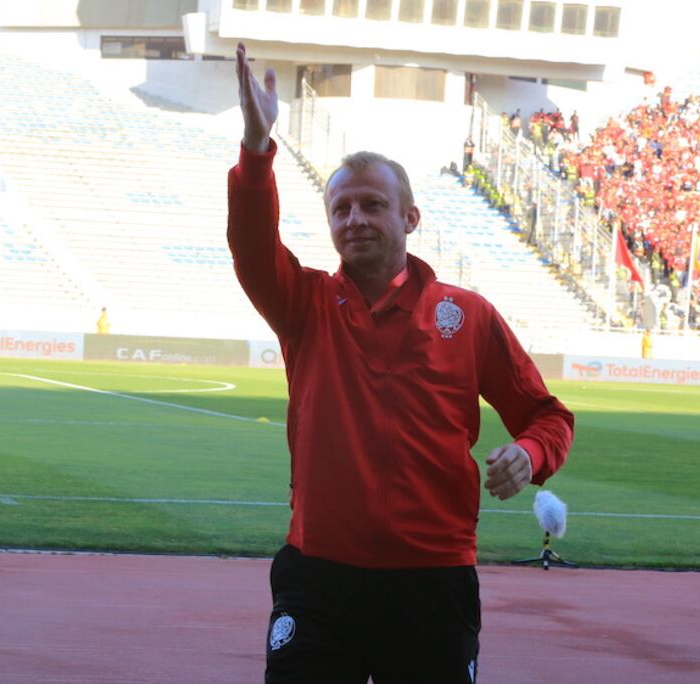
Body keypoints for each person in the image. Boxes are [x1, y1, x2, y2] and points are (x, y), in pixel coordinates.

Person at [229, 42, 574, 683]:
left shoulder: (466, 315)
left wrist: (530, 453)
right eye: (341, 208)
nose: (354, 218)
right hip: (319, 576)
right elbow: (251, 247)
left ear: (410, 217)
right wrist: (256, 149)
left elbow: (547, 415)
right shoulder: (304, 304)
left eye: (372, 204)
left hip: (431, 582)